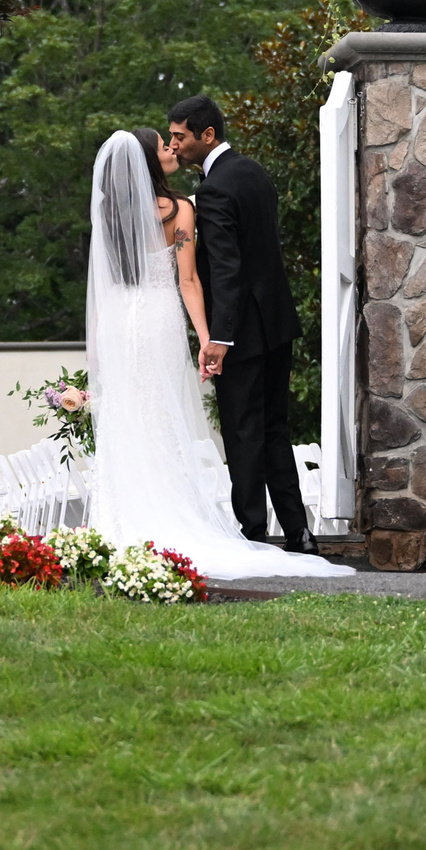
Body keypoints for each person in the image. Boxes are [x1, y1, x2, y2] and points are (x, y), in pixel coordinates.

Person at [82, 126, 352, 581]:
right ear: (150, 161)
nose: (171, 149)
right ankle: (174, 512)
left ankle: (122, 520)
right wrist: (209, 339)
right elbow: (189, 281)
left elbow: (107, 281)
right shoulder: (178, 209)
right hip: (159, 320)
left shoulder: (108, 215)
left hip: (118, 321)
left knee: (129, 415)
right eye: (163, 146)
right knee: (164, 415)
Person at [165, 96, 320, 553]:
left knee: (242, 430)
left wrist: (220, 338)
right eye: (170, 138)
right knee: (275, 428)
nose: (175, 145)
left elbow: (228, 268)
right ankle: (299, 531)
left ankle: (251, 534)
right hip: (277, 324)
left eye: (181, 136)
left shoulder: (214, 189)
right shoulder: (253, 171)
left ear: (207, 135)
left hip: (243, 333)